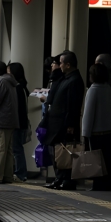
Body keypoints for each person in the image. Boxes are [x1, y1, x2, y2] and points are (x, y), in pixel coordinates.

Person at [42, 51, 85, 190]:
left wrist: (71, 124)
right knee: (58, 151)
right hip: (57, 122)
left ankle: (67, 179)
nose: (58, 66)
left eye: (60, 63)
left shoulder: (75, 80)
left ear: (68, 64)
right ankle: (59, 178)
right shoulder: (65, 78)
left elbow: (73, 105)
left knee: (66, 152)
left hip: (65, 123)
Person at [81, 63, 111, 191]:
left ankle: (98, 184)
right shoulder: (109, 90)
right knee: (107, 160)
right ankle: (108, 183)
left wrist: (85, 133)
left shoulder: (92, 90)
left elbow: (88, 114)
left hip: (96, 132)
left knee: (96, 160)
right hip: (109, 130)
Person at [8, 62, 29, 182]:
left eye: (9, 70)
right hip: (21, 122)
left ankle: (21, 173)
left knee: (17, 148)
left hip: (18, 122)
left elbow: (18, 108)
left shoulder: (18, 88)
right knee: (17, 148)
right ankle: (21, 172)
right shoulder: (22, 87)